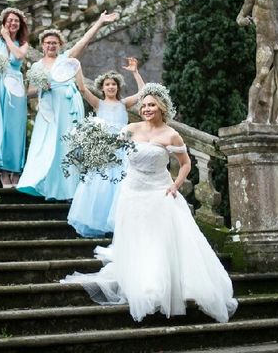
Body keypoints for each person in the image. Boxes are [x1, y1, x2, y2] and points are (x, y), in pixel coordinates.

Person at [62, 83, 238, 323]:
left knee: (158, 240)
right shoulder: (130, 129)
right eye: (144, 105)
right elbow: (111, 149)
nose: (146, 109)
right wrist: (92, 138)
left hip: (159, 192)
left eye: (151, 105)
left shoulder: (170, 134)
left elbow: (186, 163)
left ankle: (156, 286)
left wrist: (176, 185)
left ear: (161, 107)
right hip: (132, 192)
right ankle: (140, 281)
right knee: (137, 238)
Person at [16, 10, 119, 201]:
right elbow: (28, 92)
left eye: (54, 42)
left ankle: (71, 189)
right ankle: (41, 181)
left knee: (68, 144)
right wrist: (41, 87)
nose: (51, 45)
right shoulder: (36, 66)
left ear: (60, 45)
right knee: (44, 143)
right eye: (48, 43)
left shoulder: (66, 58)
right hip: (48, 108)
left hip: (68, 105)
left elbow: (83, 41)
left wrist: (100, 21)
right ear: (42, 45)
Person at [67, 59, 145, 237]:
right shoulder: (98, 104)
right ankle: (100, 221)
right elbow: (82, 89)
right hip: (103, 150)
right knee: (100, 186)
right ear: (102, 88)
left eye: (113, 84)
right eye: (107, 84)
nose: (110, 87)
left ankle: (119, 222)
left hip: (122, 150)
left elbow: (143, 93)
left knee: (121, 185)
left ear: (118, 87)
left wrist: (135, 72)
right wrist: (78, 68)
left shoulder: (124, 104)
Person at [0, 7, 29, 187]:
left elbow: (18, 56)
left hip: (16, 86)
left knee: (15, 128)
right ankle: (4, 171)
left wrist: (7, 38)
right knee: (0, 126)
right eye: (10, 20)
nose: (13, 23)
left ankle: (16, 170)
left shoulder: (23, 43)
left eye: (16, 21)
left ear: (20, 25)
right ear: (4, 23)